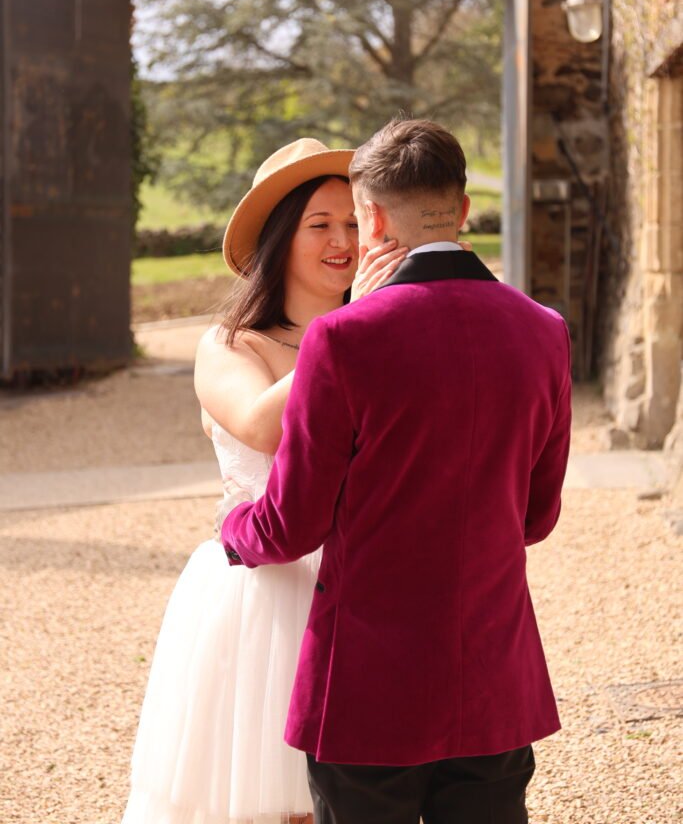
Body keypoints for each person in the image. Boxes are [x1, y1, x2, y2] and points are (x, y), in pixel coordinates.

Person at [222, 118, 573, 824]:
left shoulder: (343, 338)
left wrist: (234, 529)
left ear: (373, 218)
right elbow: (536, 517)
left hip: (367, 690)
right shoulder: (544, 330)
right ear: (463, 209)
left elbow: (292, 525)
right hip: (494, 679)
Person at [121, 137, 407, 824]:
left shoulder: (378, 336)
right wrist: (349, 328)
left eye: (353, 222)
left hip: (366, 592)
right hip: (261, 595)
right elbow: (262, 426)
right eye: (320, 224)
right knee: (264, 803)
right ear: (279, 238)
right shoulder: (230, 344)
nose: (342, 241)